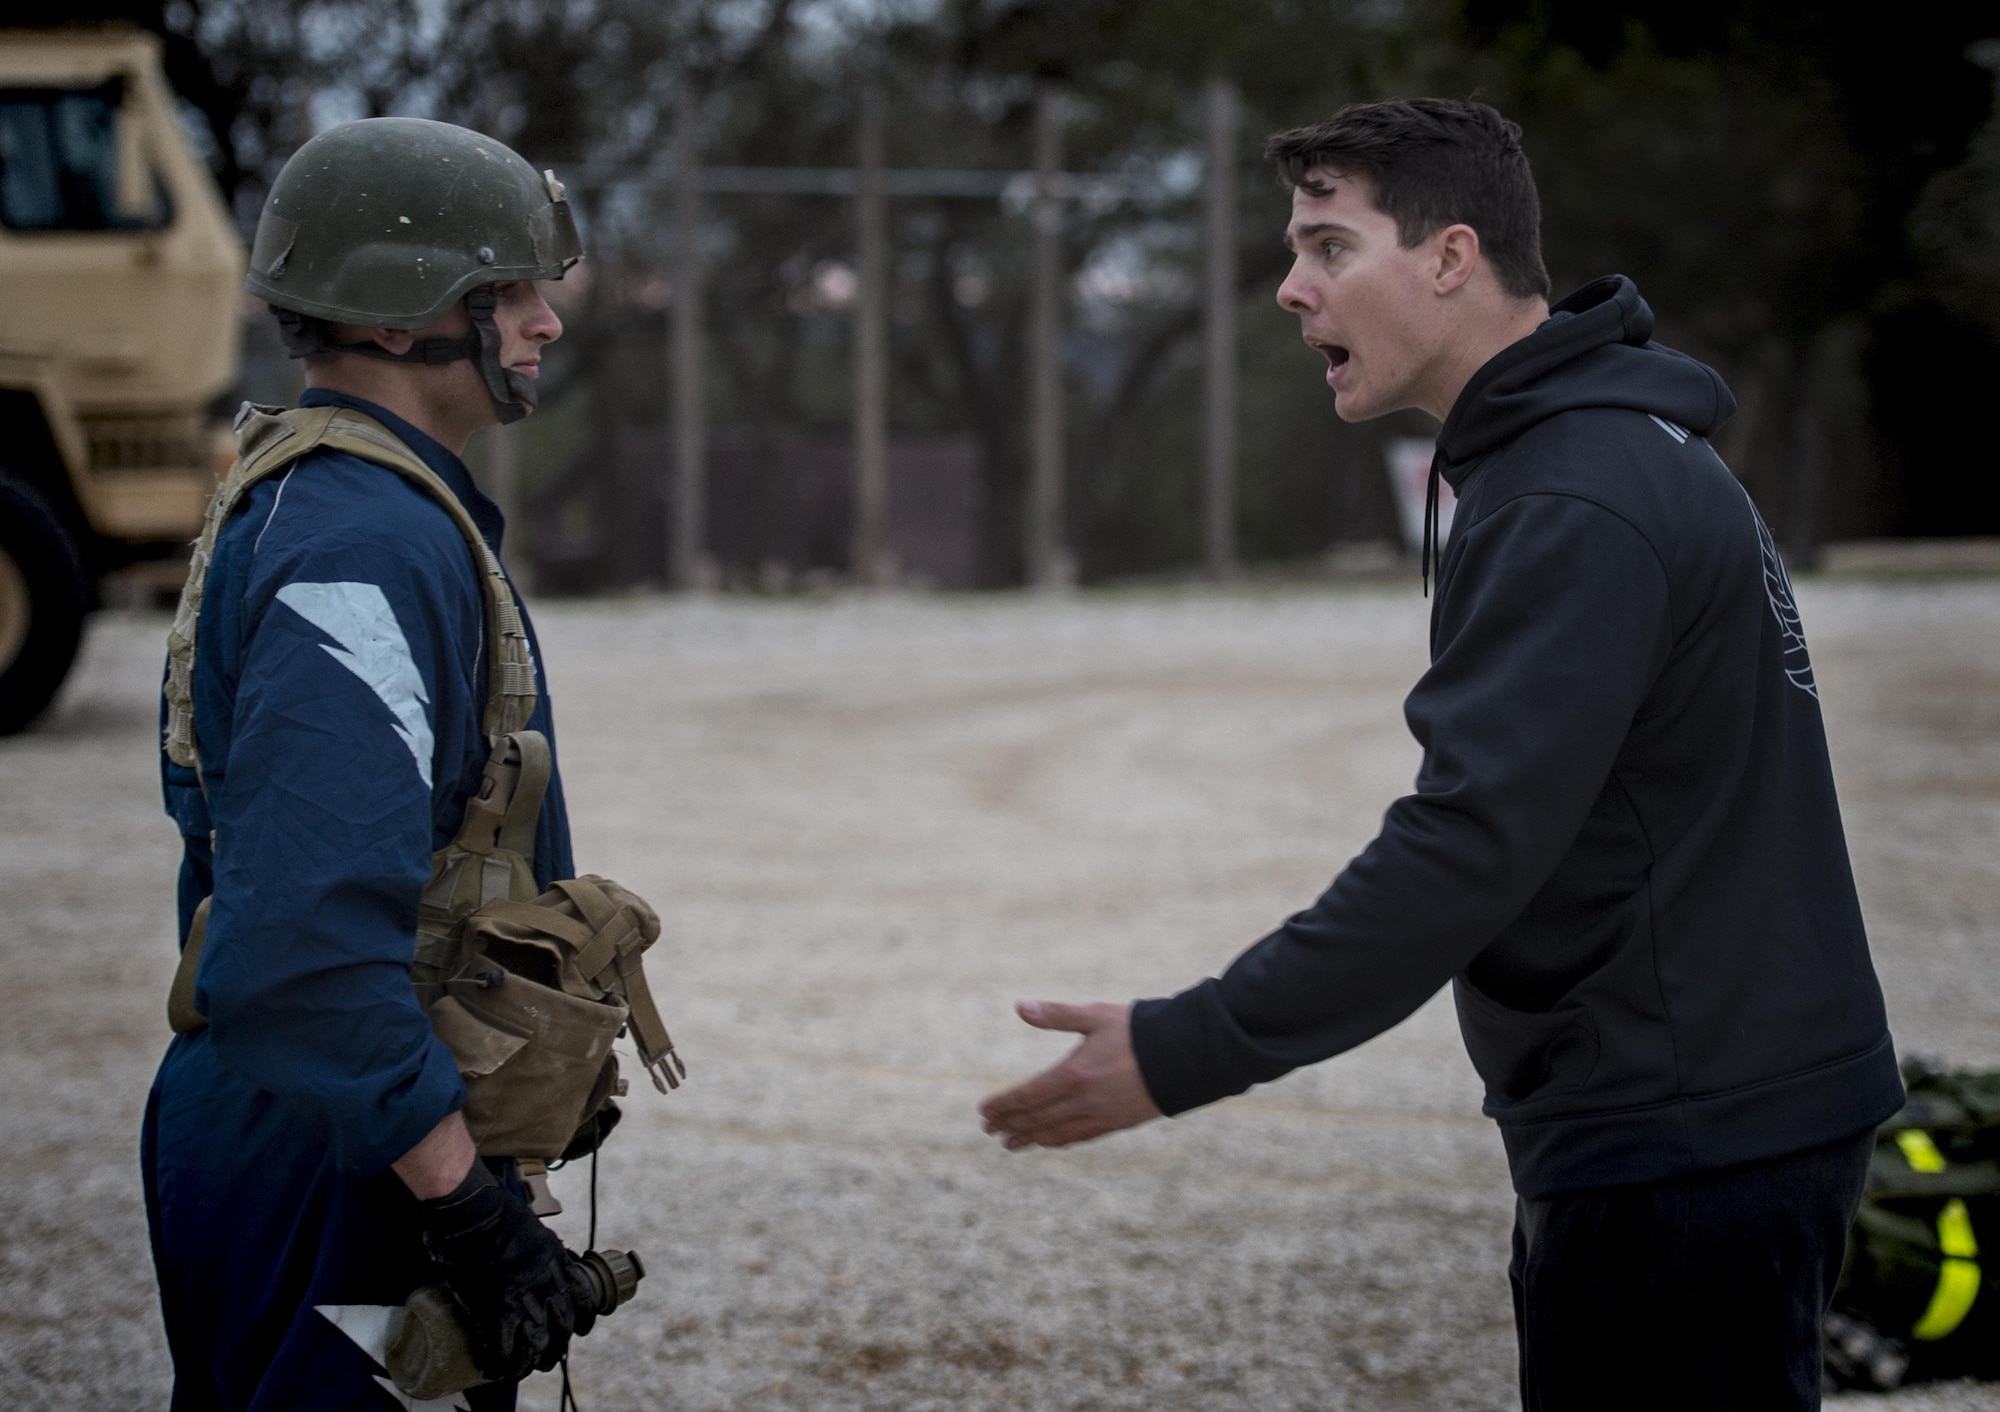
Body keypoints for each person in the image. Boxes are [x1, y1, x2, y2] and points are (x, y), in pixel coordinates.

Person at [979, 98, 1904, 1411]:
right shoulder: (1602, 452)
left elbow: (1467, 847)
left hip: (1684, 1137)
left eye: (1329, 247)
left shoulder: (1574, 496)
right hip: (1720, 1113)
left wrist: (1191, 1044)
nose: (1292, 289)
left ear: (1452, 256)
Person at [145, 117, 597, 1411]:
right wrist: (465, 1206)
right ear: (402, 322)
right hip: (335, 1154)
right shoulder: (359, 547)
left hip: (348, 1125)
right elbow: (305, 947)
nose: (542, 322)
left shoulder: (360, 504)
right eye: (507, 288)